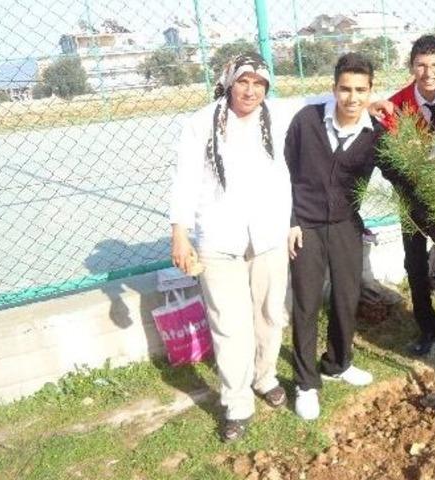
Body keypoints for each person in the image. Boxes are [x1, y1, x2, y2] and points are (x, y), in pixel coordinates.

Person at [285, 53, 435, 421]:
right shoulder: (307, 122)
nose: (352, 98)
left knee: (347, 298)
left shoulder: (375, 135)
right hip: (305, 224)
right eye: (345, 89)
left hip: (347, 224)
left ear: (370, 91)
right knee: (306, 301)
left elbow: (407, 189)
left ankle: (338, 363)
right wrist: (290, 220)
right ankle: (306, 383)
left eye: (360, 90)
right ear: (334, 88)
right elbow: (282, 173)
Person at [169, 55, 291, 442]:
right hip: (219, 239)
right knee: (229, 324)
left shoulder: (280, 118)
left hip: (269, 236)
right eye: (244, 81)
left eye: (259, 82)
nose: (251, 89)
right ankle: (237, 403)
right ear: (229, 82)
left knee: (271, 314)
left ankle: (264, 375)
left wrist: (371, 104)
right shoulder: (201, 123)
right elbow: (185, 180)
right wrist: (180, 233)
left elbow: (324, 103)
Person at [382, 35, 435, 356]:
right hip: (411, 197)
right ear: (411, 65)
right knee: (414, 262)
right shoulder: (397, 103)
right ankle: (428, 327)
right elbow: (388, 158)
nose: (428, 72)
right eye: (421, 64)